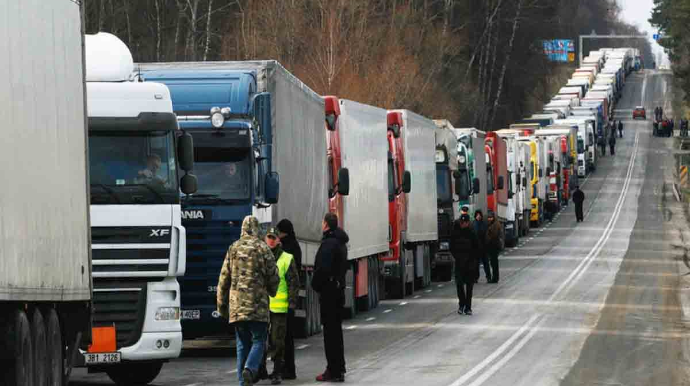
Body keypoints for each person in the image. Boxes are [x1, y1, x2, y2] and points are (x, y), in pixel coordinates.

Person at [217, 216, 279, 386]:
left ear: (243, 229)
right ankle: (250, 369)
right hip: (258, 306)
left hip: (237, 307)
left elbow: (223, 279)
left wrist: (222, 306)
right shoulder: (263, 249)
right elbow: (273, 275)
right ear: (257, 229)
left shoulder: (233, 249)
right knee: (259, 340)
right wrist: (272, 291)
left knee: (242, 344)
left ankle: (242, 383)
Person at [259, 228, 300, 385]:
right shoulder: (261, 257)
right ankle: (261, 369)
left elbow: (294, 283)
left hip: (279, 308)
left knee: (277, 341)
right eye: (268, 237)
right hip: (262, 307)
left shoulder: (287, 258)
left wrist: (291, 303)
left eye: (273, 237)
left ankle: (277, 371)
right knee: (261, 340)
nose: (270, 240)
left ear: (278, 240)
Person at [312, 213, 349, 382]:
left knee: (330, 334)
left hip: (329, 293)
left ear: (326, 225)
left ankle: (332, 370)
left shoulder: (329, 244)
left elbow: (322, 269)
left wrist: (316, 285)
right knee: (336, 333)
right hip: (338, 290)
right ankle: (339, 368)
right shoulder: (341, 243)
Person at [275, 219, 302, 380]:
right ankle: (287, 368)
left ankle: (287, 369)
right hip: (287, 299)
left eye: (278, 232)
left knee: (283, 338)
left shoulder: (286, 248)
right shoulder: (295, 246)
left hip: (282, 300)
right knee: (286, 337)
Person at [451, 214, 479, 315]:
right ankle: (461, 304)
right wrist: (457, 257)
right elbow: (452, 246)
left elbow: (476, 248)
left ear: (468, 223)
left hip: (470, 263)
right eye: (461, 222)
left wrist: (473, 261)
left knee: (469, 287)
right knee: (459, 285)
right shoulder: (455, 232)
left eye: (465, 223)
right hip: (459, 263)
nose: (463, 224)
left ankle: (468, 307)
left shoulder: (472, 233)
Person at [472, 210, 491, 283]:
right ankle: (475, 278)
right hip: (476, 247)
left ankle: (488, 277)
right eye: (477, 215)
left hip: (484, 247)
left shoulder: (484, 224)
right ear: (475, 216)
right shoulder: (473, 224)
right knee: (476, 264)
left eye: (479, 215)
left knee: (486, 263)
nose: (478, 216)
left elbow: (486, 234)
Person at [485, 211, 503, 283]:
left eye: (491, 217)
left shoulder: (495, 224)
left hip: (494, 246)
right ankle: (495, 277)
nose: (489, 219)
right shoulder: (490, 224)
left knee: (494, 263)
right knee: (493, 263)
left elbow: (494, 235)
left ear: (493, 218)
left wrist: (488, 236)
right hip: (491, 246)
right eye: (489, 218)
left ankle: (495, 278)